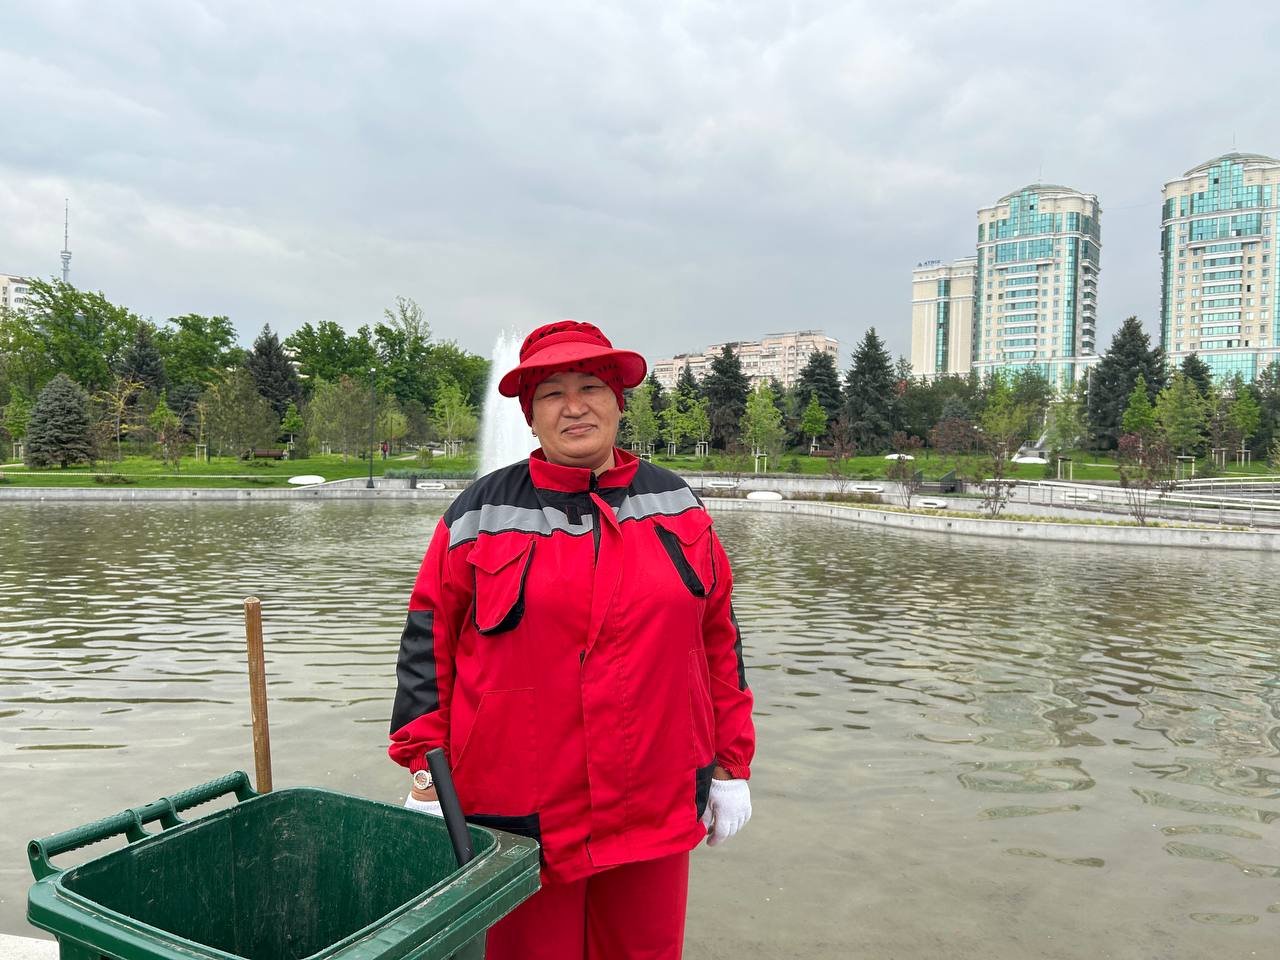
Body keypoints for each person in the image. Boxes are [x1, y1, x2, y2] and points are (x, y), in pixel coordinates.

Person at [388, 320, 755, 960]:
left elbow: (719, 642)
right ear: (530, 417)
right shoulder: (477, 514)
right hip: (517, 815)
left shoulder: (679, 505)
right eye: (552, 394)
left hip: (656, 801)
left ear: (619, 403)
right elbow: (427, 645)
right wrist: (426, 771)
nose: (574, 406)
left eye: (590, 387)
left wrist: (732, 765)